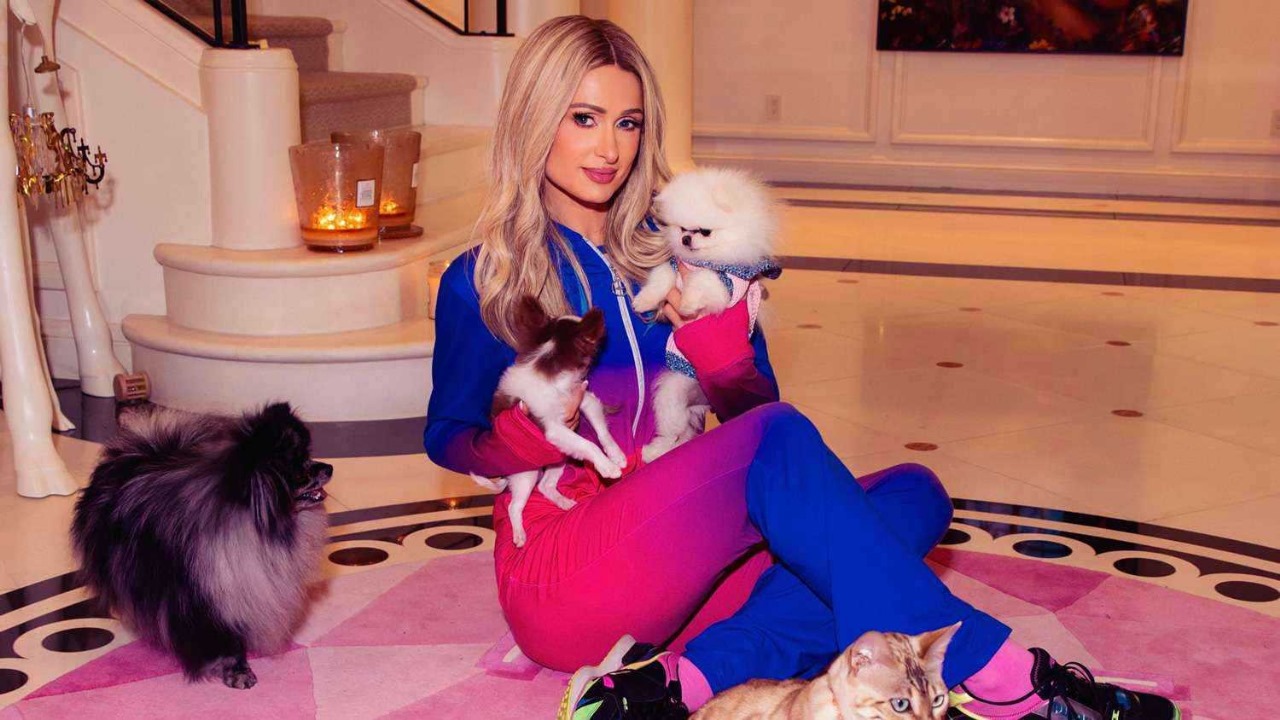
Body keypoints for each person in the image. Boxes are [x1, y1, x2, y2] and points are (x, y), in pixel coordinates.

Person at [423, 15, 1180, 720]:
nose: (609, 149)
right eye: (583, 119)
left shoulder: (683, 251)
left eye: (629, 123)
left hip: (686, 569)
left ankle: (676, 683)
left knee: (914, 497)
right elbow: (448, 437)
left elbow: (756, 422)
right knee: (814, 491)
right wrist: (524, 433)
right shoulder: (487, 277)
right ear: (536, 119)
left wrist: (719, 349)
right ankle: (1006, 676)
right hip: (566, 575)